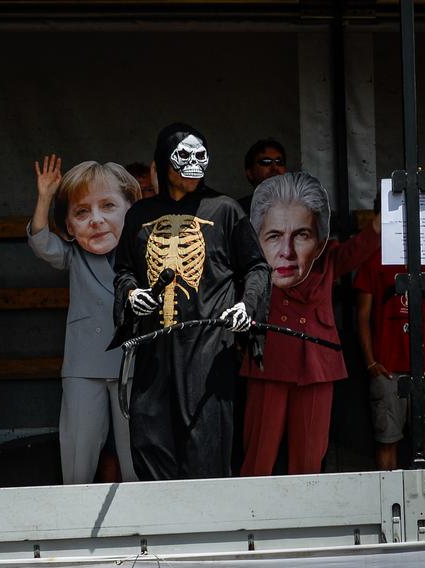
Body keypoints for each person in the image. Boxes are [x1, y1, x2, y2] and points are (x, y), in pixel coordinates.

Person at [113, 123, 271, 480]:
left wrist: (246, 305)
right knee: (150, 438)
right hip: (156, 348)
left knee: (207, 442)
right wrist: (132, 293)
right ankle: (161, 527)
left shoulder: (225, 210)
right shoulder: (140, 215)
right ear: (164, 162)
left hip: (208, 347)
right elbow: (123, 270)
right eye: (184, 156)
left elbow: (257, 266)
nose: (195, 164)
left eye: (201, 155)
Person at [240, 171, 380, 476]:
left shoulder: (328, 259)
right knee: (258, 457)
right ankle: (249, 521)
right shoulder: (250, 265)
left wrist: (383, 223)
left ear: (318, 240)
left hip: (316, 364)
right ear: (257, 238)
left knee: (310, 459)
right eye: (274, 236)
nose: (287, 251)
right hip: (269, 360)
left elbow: (357, 250)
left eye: (302, 234)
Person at [27, 155, 140, 485]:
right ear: (69, 226)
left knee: (136, 452)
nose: (96, 220)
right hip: (83, 363)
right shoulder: (72, 254)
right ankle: (74, 525)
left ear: (132, 210)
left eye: (108, 206)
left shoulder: (145, 251)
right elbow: (41, 242)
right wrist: (45, 198)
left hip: (133, 363)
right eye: (81, 211)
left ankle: (144, 527)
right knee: (78, 453)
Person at [354, 248, 425, 469]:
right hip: (387, 369)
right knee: (387, 443)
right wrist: (370, 362)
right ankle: (389, 502)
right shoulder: (374, 259)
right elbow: (362, 315)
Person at [238, 139, 288, 214]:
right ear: (250, 173)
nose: (274, 168)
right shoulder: (238, 211)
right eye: (266, 162)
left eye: (279, 162)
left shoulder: (302, 206)